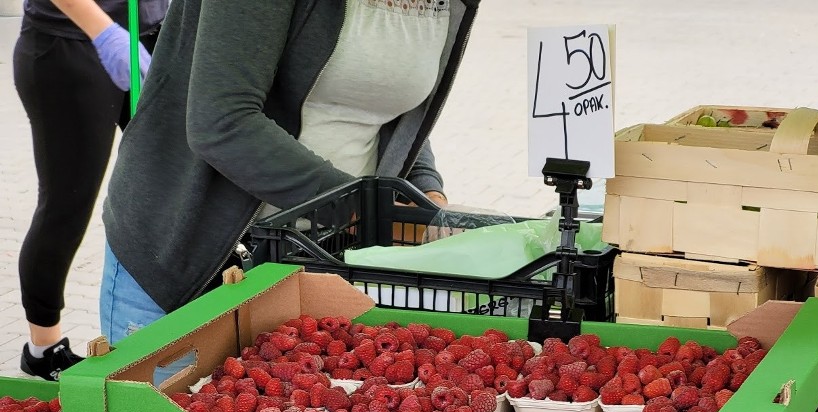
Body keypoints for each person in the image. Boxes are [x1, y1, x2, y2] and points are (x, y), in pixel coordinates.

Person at [99, 0, 478, 383]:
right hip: (188, 251)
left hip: (321, 256)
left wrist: (425, 192)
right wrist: (365, 209)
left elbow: (391, 106)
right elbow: (222, 122)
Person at [13, 0, 167, 381]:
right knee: (67, 205)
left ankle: (176, 325)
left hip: (156, 34)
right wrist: (104, 32)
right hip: (71, 44)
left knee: (175, 187)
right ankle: (43, 350)